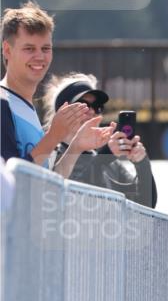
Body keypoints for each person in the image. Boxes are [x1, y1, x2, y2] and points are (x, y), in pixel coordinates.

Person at [1, 1, 114, 176]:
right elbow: (11, 180)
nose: (39, 57)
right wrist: (54, 136)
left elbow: (47, 183)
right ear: (7, 50)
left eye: (46, 48)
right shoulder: (3, 104)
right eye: (29, 48)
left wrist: (76, 147)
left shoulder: (25, 107)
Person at [42, 73, 158, 207]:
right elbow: (71, 199)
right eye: (83, 105)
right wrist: (106, 156)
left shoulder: (109, 162)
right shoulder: (49, 154)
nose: (92, 111)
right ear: (62, 112)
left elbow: (146, 204)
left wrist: (141, 163)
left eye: (97, 106)